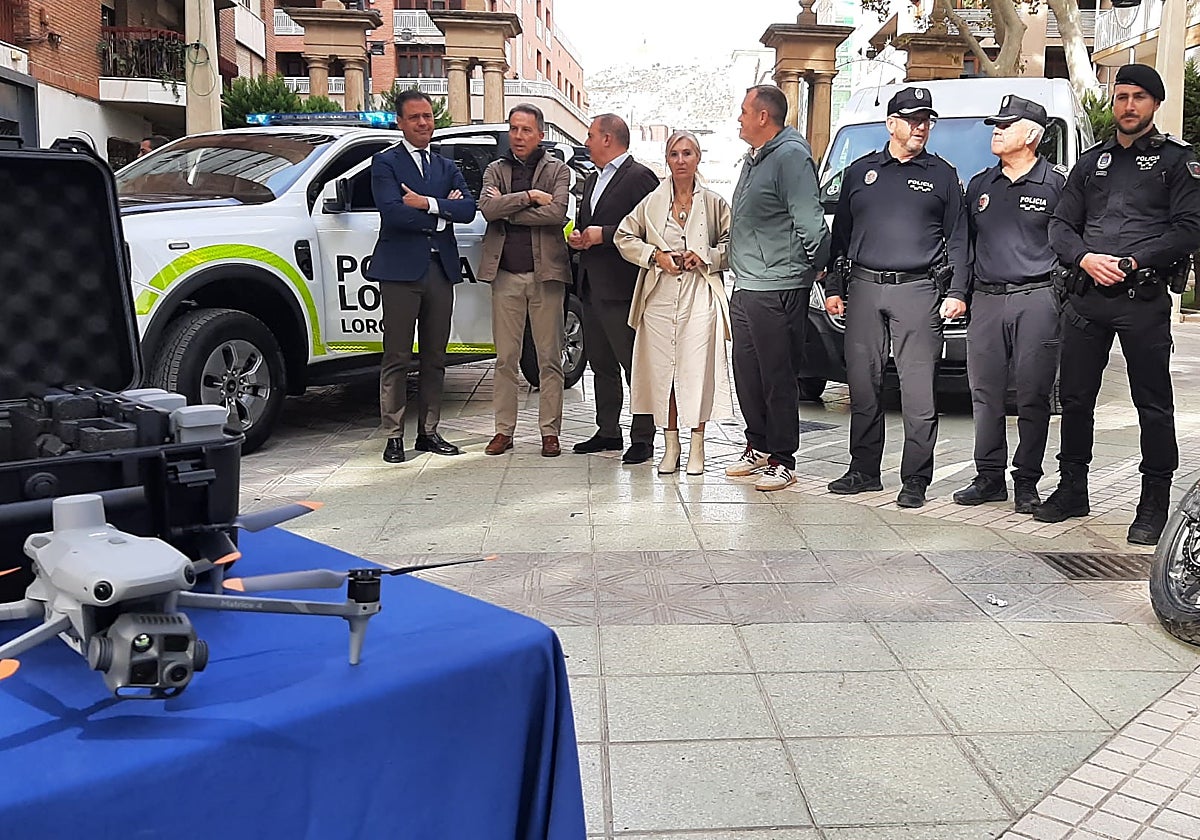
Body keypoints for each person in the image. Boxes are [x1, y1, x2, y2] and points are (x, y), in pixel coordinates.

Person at [1038, 64, 1200, 544]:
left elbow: (1189, 229)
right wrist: (1086, 258)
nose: (1128, 106)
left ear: (1154, 103)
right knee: (1075, 400)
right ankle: (1072, 489)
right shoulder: (1091, 163)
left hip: (1141, 299)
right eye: (1121, 97)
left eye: (1139, 97)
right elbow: (1060, 225)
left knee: (1152, 404)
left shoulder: (1179, 162)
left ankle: (1153, 504)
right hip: (1087, 297)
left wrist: (1131, 262)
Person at [824, 86, 968, 509]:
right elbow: (842, 236)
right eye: (912, 119)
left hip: (918, 290)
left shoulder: (942, 174)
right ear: (891, 124)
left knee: (918, 390)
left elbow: (958, 238)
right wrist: (834, 286)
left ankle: (915, 479)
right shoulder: (861, 171)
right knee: (863, 385)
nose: (921, 126)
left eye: (926, 119)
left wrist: (956, 290)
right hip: (865, 288)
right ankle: (864, 471)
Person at [953, 95, 1066, 514]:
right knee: (984, 393)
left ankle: (1027, 480)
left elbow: (1073, 243)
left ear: (1032, 136)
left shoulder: (1057, 185)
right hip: (987, 299)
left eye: (1006, 124)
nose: (996, 131)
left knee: (1034, 395)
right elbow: (965, 245)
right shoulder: (981, 185)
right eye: (996, 125)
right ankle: (988, 476)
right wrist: (959, 295)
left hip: (1037, 298)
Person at [724, 84, 830, 492]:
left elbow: (810, 221)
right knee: (747, 372)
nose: (739, 117)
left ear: (763, 117)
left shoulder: (790, 157)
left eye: (743, 110)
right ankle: (757, 445)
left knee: (777, 375)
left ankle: (782, 458)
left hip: (779, 285)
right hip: (748, 283)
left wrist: (814, 266)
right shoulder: (755, 158)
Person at [365, 90, 476, 464]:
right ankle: (394, 435)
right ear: (400, 122)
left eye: (428, 116)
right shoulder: (385, 163)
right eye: (415, 117)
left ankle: (429, 432)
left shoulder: (445, 165)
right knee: (397, 355)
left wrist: (427, 204)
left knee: (435, 356)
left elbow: (468, 209)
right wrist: (444, 209)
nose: (424, 123)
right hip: (400, 271)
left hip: (440, 270)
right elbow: (393, 213)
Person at [615, 131, 733, 476]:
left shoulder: (714, 202)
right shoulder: (652, 202)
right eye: (674, 154)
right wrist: (655, 256)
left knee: (696, 370)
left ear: (698, 158)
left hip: (699, 294)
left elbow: (732, 244)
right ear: (667, 159)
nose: (681, 160)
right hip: (660, 296)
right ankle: (671, 445)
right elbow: (624, 235)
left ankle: (698, 445)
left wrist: (706, 256)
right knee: (662, 371)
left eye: (687, 153)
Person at [478, 103, 572, 458]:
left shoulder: (558, 170)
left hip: (546, 276)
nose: (518, 136)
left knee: (549, 357)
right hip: (505, 276)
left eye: (526, 130)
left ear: (540, 134)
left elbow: (556, 213)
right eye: (513, 129)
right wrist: (529, 197)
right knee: (505, 359)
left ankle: (550, 432)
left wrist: (508, 209)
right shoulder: (495, 169)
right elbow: (487, 210)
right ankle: (504, 431)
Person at [569, 114, 661, 464]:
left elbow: (652, 227)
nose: (587, 141)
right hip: (592, 285)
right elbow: (587, 223)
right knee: (600, 364)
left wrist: (604, 234)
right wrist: (582, 236)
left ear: (608, 138)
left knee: (633, 364)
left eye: (591, 135)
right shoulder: (592, 180)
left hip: (624, 289)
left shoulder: (639, 177)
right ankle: (608, 430)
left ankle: (643, 436)